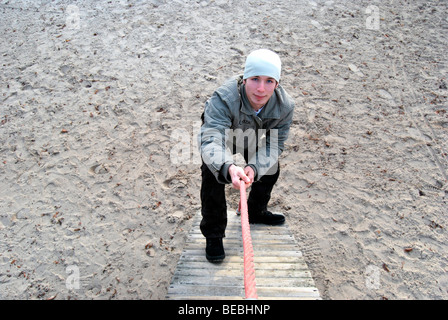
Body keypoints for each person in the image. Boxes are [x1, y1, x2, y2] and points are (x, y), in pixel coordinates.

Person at [199, 49, 295, 262]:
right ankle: (213, 233)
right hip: (224, 136)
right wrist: (228, 167)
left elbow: (275, 143)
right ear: (244, 80)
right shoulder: (223, 99)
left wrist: (255, 167)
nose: (261, 88)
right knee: (212, 173)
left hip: (253, 135)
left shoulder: (285, 106)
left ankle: (255, 211)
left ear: (277, 84)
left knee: (271, 168)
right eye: (255, 79)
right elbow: (211, 140)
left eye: (269, 81)